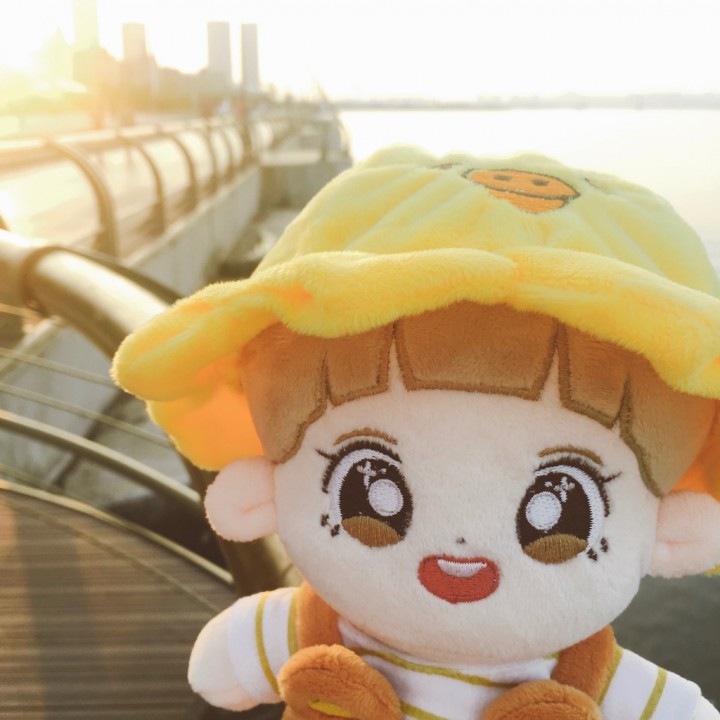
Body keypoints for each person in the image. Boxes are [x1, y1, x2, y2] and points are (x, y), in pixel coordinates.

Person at [113, 147, 720, 719]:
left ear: (676, 535)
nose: (459, 555)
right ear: (260, 493)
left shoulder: (597, 678)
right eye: (368, 490)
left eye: (558, 514)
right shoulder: (316, 629)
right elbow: (220, 667)